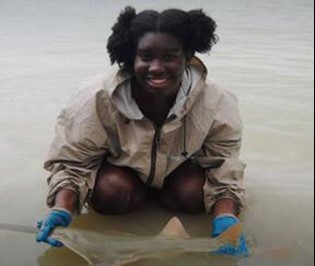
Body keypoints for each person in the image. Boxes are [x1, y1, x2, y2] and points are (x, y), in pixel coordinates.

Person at [36, 6, 249, 256]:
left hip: (178, 176)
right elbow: (74, 162)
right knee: (110, 194)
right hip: (121, 175)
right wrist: (62, 208)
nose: (157, 68)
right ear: (130, 57)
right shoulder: (94, 98)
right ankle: (133, 198)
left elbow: (223, 165)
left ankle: (168, 202)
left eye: (170, 56)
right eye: (146, 56)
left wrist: (226, 217)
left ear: (188, 55)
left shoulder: (217, 102)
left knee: (194, 197)